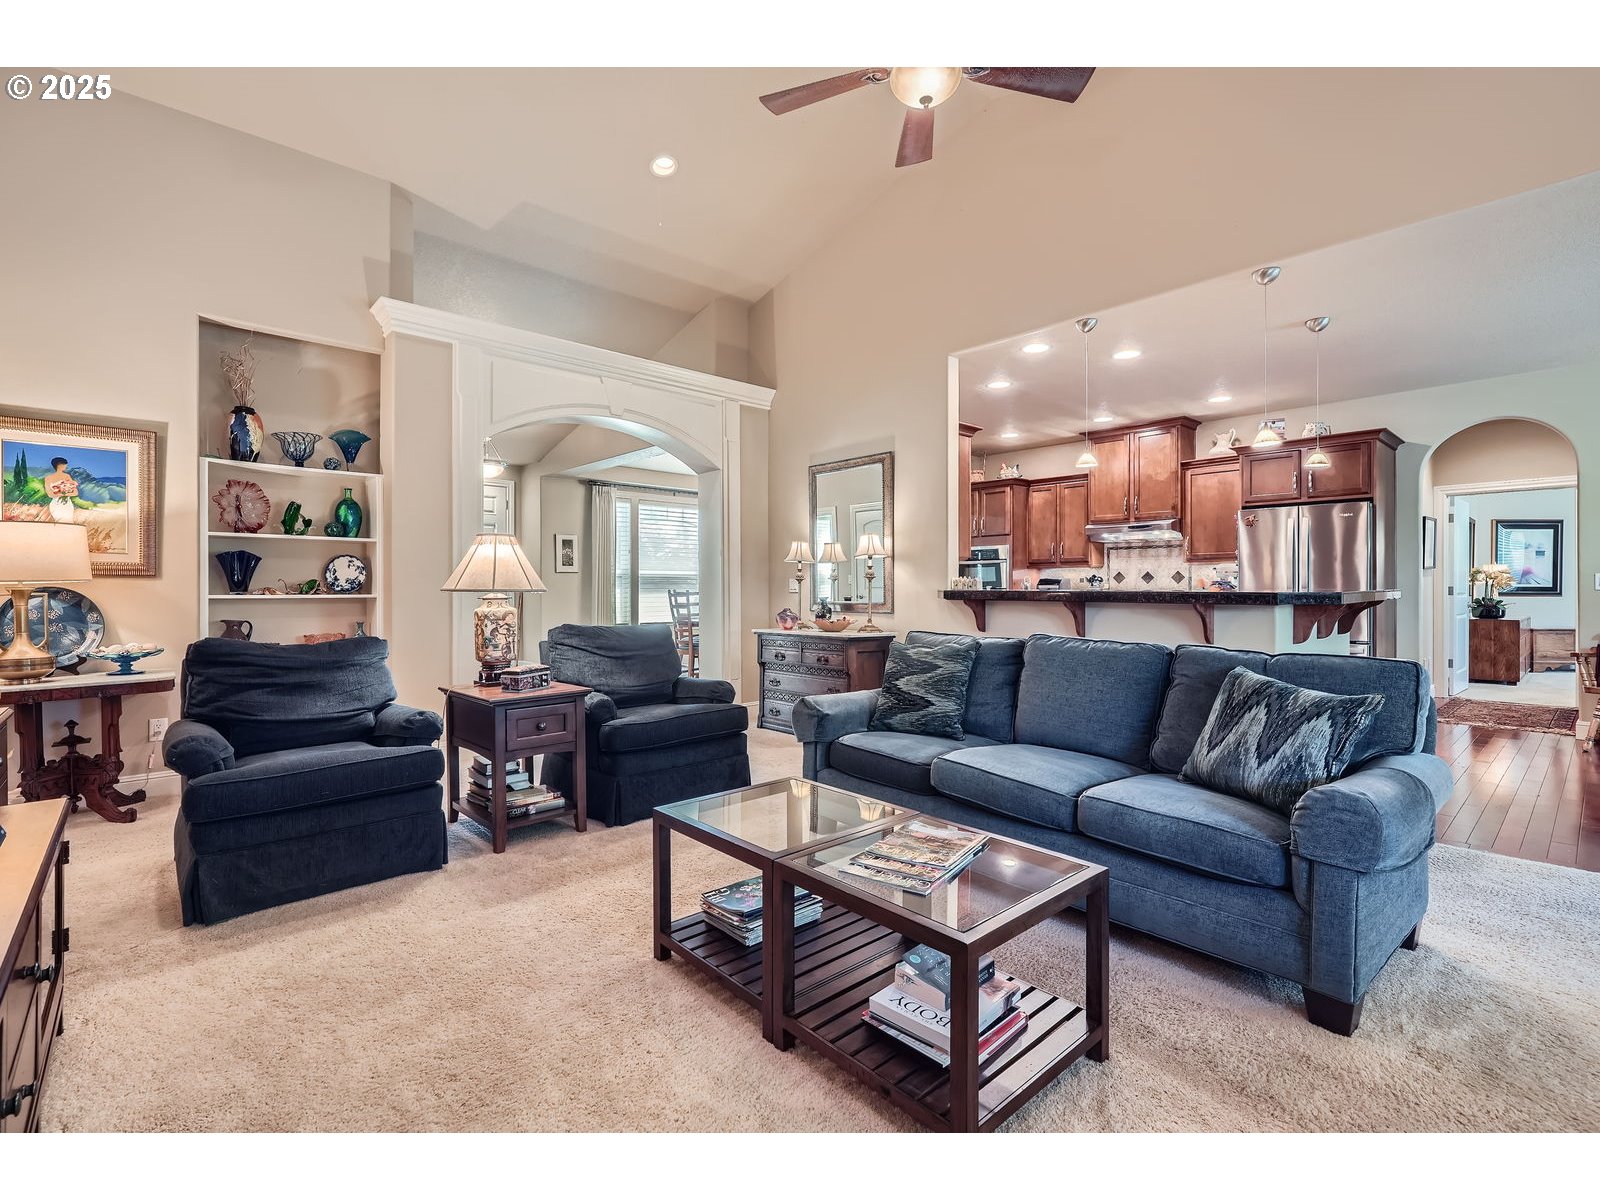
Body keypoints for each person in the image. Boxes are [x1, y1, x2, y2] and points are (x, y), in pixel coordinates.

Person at [42, 456, 78, 523]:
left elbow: (75, 492)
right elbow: (50, 494)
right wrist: (63, 493)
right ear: (60, 465)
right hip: (57, 505)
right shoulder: (49, 478)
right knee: (60, 523)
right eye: (65, 464)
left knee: (68, 522)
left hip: (67, 504)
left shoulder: (66, 476)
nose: (66, 466)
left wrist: (61, 493)